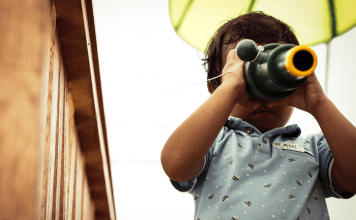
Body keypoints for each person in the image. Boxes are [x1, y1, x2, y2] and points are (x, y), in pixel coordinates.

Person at [161, 12, 356, 220]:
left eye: (274, 78)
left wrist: (319, 103)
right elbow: (176, 164)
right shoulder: (212, 143)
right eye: (246, 77)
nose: (262, 94)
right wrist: (231, 88)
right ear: (215, 87)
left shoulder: (315, 149)